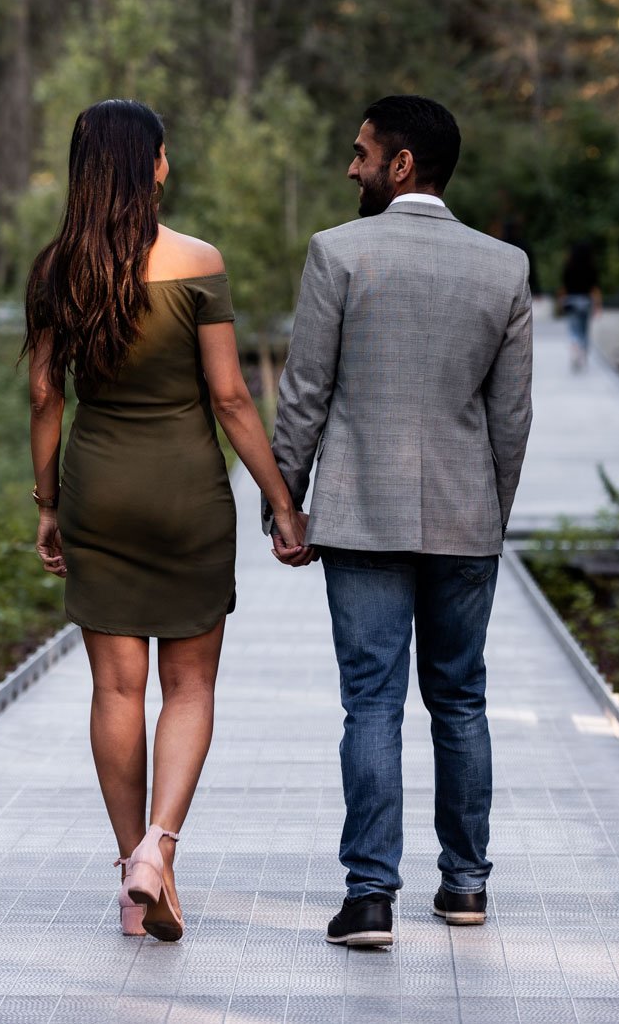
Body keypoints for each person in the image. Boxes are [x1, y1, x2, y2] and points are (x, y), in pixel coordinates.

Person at [19, 99, 309, 943]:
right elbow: (229, 399)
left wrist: (48, 507)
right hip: (187, 494)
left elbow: (44, 396)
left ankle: (129, 877)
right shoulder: (198, 262)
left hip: (97, 490)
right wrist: (283, 504)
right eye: (163, 153)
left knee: (116, 687)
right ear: (149, 165)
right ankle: (159, 850)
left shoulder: (54, 272)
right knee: (189, 685)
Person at [264, 95, 533, 948]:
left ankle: (370, 897)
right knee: (460, 701)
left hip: (361, 519)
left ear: (401, 164)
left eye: (361, 152)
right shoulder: (504, 268)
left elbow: (305, 390)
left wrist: (286, 501)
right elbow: (511, 418)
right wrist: (489, 512)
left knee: (371, 705)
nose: (351, 167)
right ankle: (464, 888)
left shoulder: (338, 254)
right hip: (466, 519)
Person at [558, 241, 601, 371]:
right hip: (586, 301)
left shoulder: (568, 267)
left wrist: (560, 301)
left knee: (573, 329)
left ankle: (575, 346)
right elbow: (594, 289)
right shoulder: (591, 267)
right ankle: (582, 352)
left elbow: (564, 287)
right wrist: (598, 305)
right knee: (584, 330)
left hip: (571, 301)